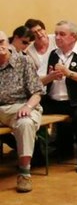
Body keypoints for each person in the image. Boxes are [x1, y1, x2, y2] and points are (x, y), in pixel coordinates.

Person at [38, 20, 77, 173]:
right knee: (30, 112)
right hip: (54, 101)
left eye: (62, 34)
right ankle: (38, 155)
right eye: (56, 34)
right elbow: (37, 80)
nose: (57, 37)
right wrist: (50, 77)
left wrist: (69, 73)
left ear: (74, 37)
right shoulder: (51, 55)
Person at [0, 31, 43, 193]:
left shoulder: (23, 61)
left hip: (21, 106)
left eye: (1, 42)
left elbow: (37, 92)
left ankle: (24, 173)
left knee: (25, 123)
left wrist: (28, 107)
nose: (0, 47)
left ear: (7, 42)